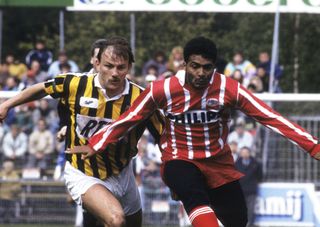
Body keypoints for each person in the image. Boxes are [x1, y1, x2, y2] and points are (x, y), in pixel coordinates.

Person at [68, 36, 320, 227]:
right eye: (195, 66)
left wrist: (314, 146)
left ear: (214, 67)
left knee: (237, 219)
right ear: (185, 64)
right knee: (193, 195)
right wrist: (98, 142)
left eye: (207, 67)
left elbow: (271, 117)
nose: (200, 73)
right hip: (179, 159)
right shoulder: (163, 89)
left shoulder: (228, 89)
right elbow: (131, 117)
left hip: (218, 163)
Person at [0, 36, 163, 227]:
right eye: (108, 66)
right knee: (116, 220)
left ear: (129, 68)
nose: (114, 73)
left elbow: (165, 137)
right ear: (96, 63)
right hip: (83, 171)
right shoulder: (75, 84)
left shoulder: (142, 98)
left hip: (122, 173)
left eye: (121, 67)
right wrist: (8, 104)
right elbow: (41, 89)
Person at [235, 146, 262, 227]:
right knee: (240, 208)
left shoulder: (256, 164)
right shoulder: (236, 164)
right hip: (240, 190)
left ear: (249, 153)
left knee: (251, 208)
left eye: (246, 152)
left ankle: (250, 223)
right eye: (243, 152)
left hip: (251, 189)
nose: (245, 154)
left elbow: (260, 175)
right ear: (240, 154)